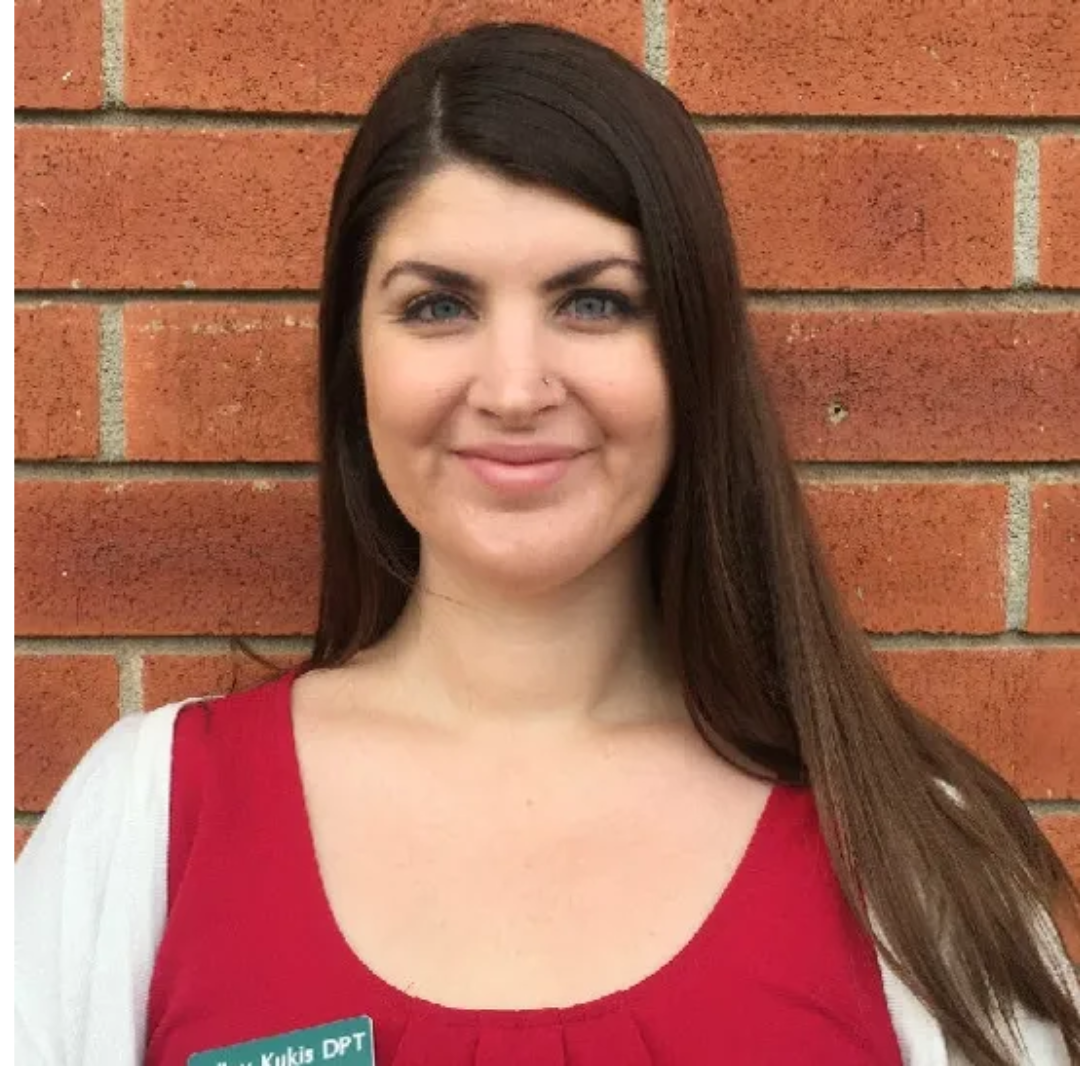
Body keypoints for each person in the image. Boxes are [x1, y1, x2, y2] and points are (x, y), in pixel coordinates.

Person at [15, 22, 1079, 1066]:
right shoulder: (147, 824)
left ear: (692, 355)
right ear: (356, 367)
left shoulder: (913, 859)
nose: (516, 389)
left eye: (593, 303)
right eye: (437, 306)